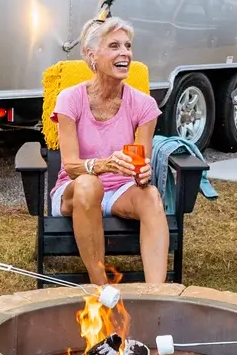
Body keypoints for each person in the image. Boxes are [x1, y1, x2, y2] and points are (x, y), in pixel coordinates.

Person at [53, 16, 167, 286]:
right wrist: (105, 165)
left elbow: (141, 164)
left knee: (150, 196)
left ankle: (156, 295)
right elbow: (70, 166)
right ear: (92, 54)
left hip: (120, 192)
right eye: (114, 46)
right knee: (88, 186)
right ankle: (101, 289)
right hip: (75, 190)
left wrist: (142, 172)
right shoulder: (70, 98)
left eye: (127, 46)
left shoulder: (144, 105)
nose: (125, 53)